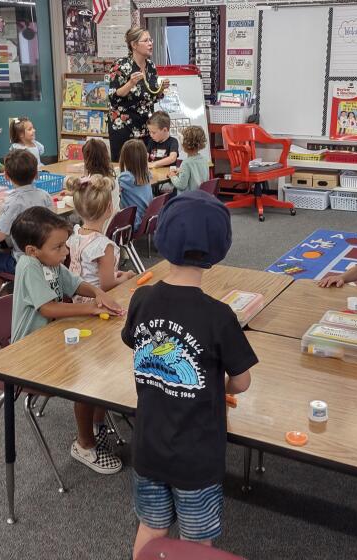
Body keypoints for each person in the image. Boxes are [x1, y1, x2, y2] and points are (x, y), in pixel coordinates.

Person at [121, 191, 255, 557]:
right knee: (196, 542)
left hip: (148, 444)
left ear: (162, 239)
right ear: (219, 249)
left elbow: (138, 347)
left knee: (151, 527)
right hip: (198, 454)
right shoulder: (219, 316)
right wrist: (221, 386)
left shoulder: (141, 298)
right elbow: (242, 381)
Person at [9, 206, 125, 473]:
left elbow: (75, 284)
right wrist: (92, 308)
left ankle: (95, 425)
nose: (65, 252)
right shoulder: (29, 266)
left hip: (53, 340)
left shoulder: (50, 262)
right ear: (32, 251)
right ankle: (84, 444)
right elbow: (48, 308)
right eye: (58, 247)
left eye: (65, 245)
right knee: (88, 378)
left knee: (101, 359)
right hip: (27, 353)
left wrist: (97, 292)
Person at [66, 174, 136, 473]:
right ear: (110, 208)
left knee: (94, 369)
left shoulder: (72, 235)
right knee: (96, 371)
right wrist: (126, 276)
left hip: (77, 310)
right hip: (97, 312)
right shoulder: (105, 246)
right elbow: (107, 283)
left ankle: (96, 422)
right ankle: (86, 439)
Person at [0, 150, 53, 294]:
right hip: (48, 255)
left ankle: (6, 300)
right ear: (37, 174)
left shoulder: (13, 201)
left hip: (25, 261)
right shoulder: (45, 196)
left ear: (6, 176)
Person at [107, 27, 170, 162]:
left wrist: (160, 90)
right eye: (146, 40)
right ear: (134, 45)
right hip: (124, 128)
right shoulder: (121, 65)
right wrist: (130, 83)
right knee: (125, 169)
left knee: (143, 168)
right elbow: (113, 97)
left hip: (146, 128)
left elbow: (151, 97)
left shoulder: (151, 66)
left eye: (150, 40)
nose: (150, 43)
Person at [118, 139, 152, 230]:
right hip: (145, 220)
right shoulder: (147, 175)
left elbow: (113, 188)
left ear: (125, 158)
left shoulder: (125, 178)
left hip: (133, 222)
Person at [167, 126, 209, 194]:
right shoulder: (204, 160)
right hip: (200, 196)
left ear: (184, 143)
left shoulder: (186, 163)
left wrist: (172, 176)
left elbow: (181, 185)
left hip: (187, 200)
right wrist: (181, 171)